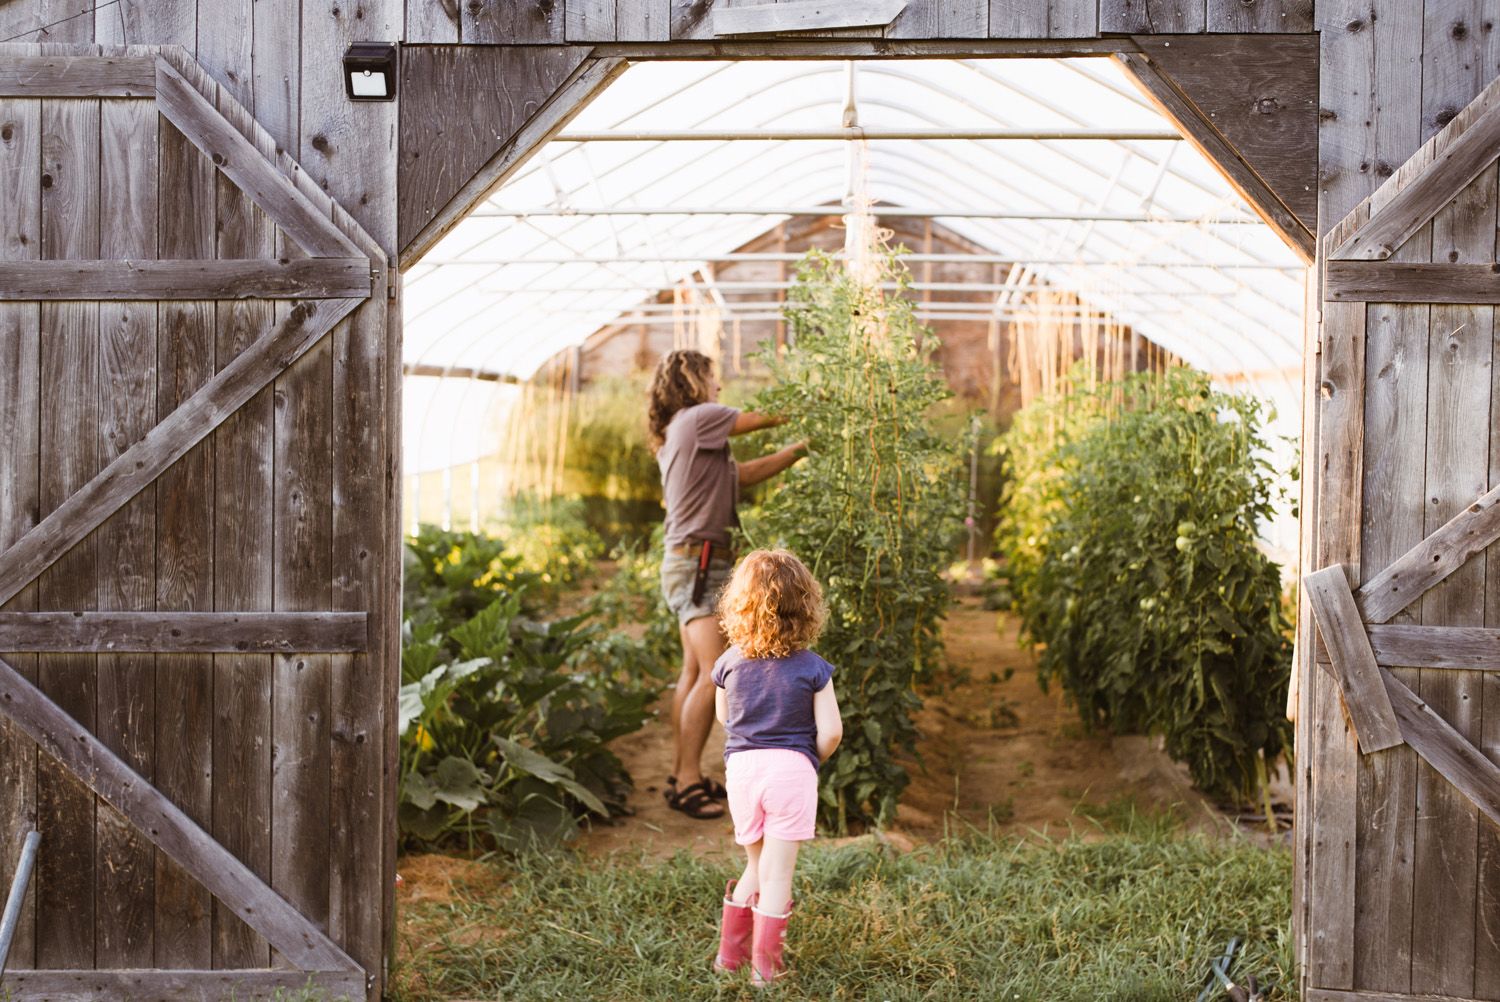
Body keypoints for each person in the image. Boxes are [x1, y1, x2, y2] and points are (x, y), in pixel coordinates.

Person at [648, 349, 806, 821]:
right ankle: (691, 778)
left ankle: (682, 776)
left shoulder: (684, 434)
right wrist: (805, 404)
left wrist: (798, 451)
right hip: (700, 566)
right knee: (715, 670)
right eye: (714, 378)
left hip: (691, 562)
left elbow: (741, 476)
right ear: (695, 381)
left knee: (694, 672)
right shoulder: (699, 417)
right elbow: (759, 419)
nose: (720, 388)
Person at [709, 549, 843, 985]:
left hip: (743, 772)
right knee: (779, 870)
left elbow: (725, 718)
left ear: (739, 606)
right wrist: (806, 758)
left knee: (755, 864)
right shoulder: (813, 668)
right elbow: (832, 732)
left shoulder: (728, 663)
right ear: (806, 608)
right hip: (790, 772)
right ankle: (765, 970)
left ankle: (728, 959)